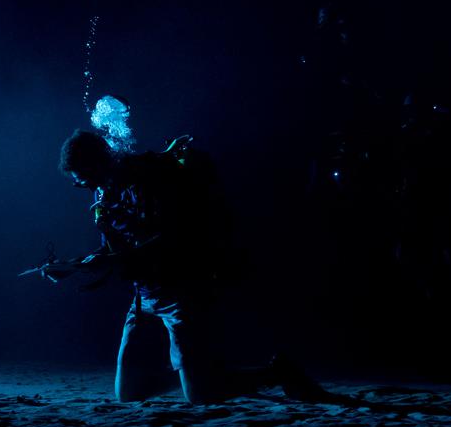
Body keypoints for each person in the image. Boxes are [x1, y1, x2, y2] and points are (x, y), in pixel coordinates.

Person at [42, 128, 331, 404]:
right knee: (130, 391)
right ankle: (198, 378)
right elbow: (117, 249)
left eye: (84, 177)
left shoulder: (148, 181)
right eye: (78, 180)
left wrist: (112, 259)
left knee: (202, 395)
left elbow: (174, 236)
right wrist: (73, 266)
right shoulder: (104, 193)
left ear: (98, 163)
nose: (82, 185)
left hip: (181, 291)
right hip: (143, 298)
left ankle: (277, 373)